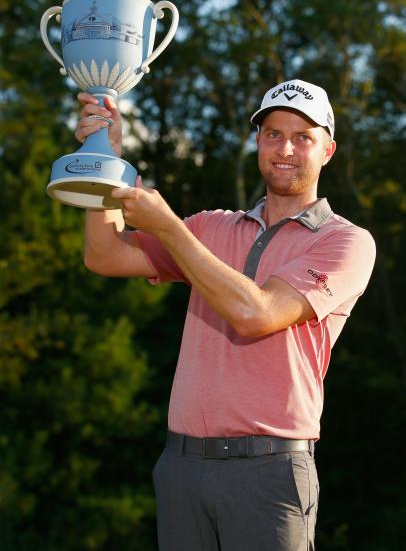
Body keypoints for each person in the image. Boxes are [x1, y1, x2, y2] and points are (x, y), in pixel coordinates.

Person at [76, 78, 376, 551]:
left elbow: (257, 313)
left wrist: (171, 227)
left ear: (328, 150)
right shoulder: (211, 228)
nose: (286, 149)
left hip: (270, 471)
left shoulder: (345, 241)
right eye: (274, 134)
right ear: (258, 141)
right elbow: (104, 255)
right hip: (182, 465)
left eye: (304, 137)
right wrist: (104, 163)